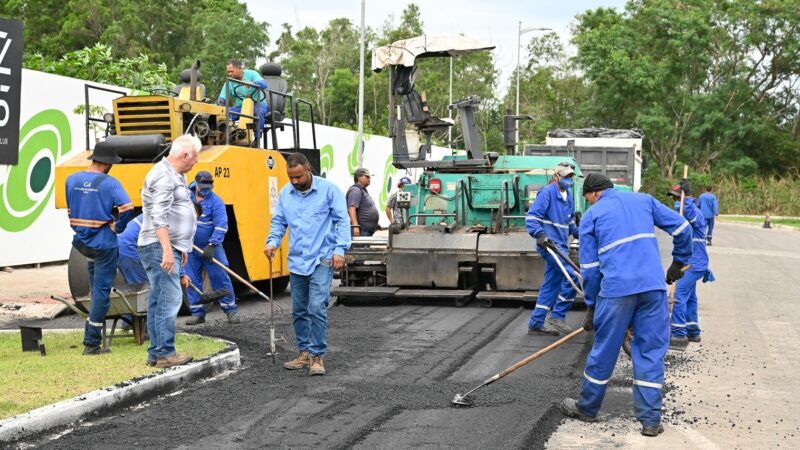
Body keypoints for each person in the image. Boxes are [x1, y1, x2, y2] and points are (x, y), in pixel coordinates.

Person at [560, 173, 693, 437]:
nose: (589, 203)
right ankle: (651, 421)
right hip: (653, 289)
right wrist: (679, 262)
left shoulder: (592, 216)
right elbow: (683, 229)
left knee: (604, 350)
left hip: (616, 291)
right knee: (649, 352)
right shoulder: (644, 200)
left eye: (587, 199)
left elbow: (590, 270)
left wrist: (591, 306)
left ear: (594, 193)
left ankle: (587, 409)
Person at [264, 153, 350, 376]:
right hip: (297, 260)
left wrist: (340, 250)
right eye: (291, 177)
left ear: (308, 169)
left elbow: (342, 221)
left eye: (299, 177)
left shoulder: (329, 190)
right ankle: (303, 352)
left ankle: (317, 355)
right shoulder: (286, 193)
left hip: (322, 258)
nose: (295, 182)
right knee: (299, 310)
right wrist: (272, 242)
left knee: (316, 307)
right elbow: (279, 221)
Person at [65, 141, 134, 355]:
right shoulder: (110, 183)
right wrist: (118, 227)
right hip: (104, 243)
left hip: (83, 243)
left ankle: (92, 334)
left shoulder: (71, 180)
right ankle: (91, 343)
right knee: (102, 294)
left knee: (96, 290)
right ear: (107, 163)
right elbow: (127, 207)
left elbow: (70, 209)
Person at [138, 134, 200, 369]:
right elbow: (159, 216)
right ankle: (165, 353)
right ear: (185, 155)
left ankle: (156, 353)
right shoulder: (163, 176)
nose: (196, 162)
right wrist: (166, 249)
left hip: (166, 245)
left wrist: (180, 247)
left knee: (158, 299)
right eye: (195, 157)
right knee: (170, 298)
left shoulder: (174, 174)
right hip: (159, 245)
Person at [525, 163, 581, 336]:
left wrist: (583, 235)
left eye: (570, 177)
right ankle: (557, 315)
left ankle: (536, 322)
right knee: (574, 277)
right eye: (565, 177)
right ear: (556, 177)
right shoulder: (547, 192)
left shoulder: (569, 195)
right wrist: (540, 235)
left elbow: (570, 223)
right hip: (549, 245)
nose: (568, 180)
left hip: (561, 246)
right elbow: (532, 218)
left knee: (551, 284)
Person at [184, 171, 239, 325]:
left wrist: (212, 244)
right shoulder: (185, 197)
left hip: (211, 246)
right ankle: (197, 313)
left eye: (208, 187)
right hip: (189, 247)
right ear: (196, 184)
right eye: (202, 187)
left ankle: (231, 310)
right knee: (192, 279)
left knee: (220, 275)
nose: (205, 190)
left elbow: (221, 226)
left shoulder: (216, 202)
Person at [667, 182, 711, 347]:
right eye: (673, 198)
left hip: (693, 264)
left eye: (677, 198)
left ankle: (678, 336)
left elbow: (690, 215)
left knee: (678, 296)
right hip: (694, 264)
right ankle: (693, 331)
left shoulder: (694, 214)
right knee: (690, 298)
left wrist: (686, 200)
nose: (675, 202)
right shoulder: (683, 216)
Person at [217, 59, 268, 141]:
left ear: (239, 68)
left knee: (256, 112)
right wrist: (220, 107)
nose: (230, 74)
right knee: (223, 115)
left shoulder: (251, 74)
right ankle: (226, 138)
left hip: (257, 104)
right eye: (228, 72)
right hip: (240, 107)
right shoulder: (229, 82)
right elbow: (222, 98)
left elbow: (264, 84)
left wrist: (253, 83)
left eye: (232, 71)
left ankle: (257, 139)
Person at [346, 167, 380, 237]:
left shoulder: (362, 190)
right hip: (361, 230)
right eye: (367, 176)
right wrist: (355, 225)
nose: (369, 178)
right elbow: (351, 209)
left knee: (364, 248)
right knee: (358, 248)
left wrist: (374, 224)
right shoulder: (355, 190)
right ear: (359, 177)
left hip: (366, 230)